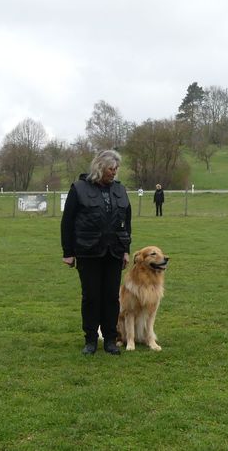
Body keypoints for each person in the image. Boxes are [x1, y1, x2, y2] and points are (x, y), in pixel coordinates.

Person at [61, 150, 132, 355]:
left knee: (111, 297)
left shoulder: (120, 190)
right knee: (91, 296)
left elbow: (126, 223)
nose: (114, 172)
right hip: (88, 251)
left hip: (114, 252)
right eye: (111, 168)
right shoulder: (79, 189)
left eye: (116, 169)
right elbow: (67, 222)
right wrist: (68, 252)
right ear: (100, 168)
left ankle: (110, 339)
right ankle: (90, 339)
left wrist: (126, 250)